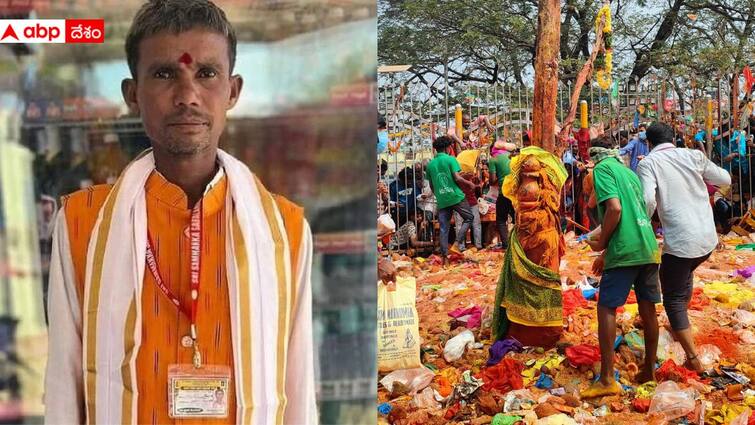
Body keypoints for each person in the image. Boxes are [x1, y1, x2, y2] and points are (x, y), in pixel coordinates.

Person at [44, 2, 316, 424]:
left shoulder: (285, 228)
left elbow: (298, 388)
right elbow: (63, 388)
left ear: (233, 91)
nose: (187, 95)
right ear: (132, 94)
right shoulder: (82, 222)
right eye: (165, 73)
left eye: (206, 73)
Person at [637, 122, 731, 373]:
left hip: (682, 241)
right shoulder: (693, 155)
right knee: (680, 276)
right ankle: (681, 326)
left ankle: (692, 358)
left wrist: (643, 223)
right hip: (706, 238)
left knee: (673, 299)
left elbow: (646, 198)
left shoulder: (648, 163)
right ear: (674, 138)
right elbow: (725, 178)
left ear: (649, 142)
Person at [581, 136, 661, 398]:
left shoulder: (603, 169)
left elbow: (614, 209)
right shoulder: (629, 172)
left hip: (624, 249)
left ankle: (606, 379)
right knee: (648, 309)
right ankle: (649, 369)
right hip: (647, 246)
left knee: (606, 307)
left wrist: (603, 244)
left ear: (595, 157)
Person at [426, 136, 474, 264]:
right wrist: (469, 184)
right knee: (469, 217)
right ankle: (457, 243)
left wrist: (439, 194)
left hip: (442, 199)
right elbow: (457, 178)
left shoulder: (430, 165)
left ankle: (444, 258)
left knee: (443, 228)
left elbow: (431, 185)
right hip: (456, 196)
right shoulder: (451, 160)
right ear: (448, 148)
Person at [488, 146, 514, 248]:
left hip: (504, 192)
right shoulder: (511, 156)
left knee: (501, 219)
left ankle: (506, 244)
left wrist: (498, 178)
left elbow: (492, 180)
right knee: (516, 218)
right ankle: (519, 243)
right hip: (516, 191)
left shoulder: (494, 159)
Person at [454, 171, 483, 250]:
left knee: (462, 225)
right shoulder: (459, 177)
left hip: (464, 202)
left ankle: (465, 246)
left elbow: (478, 188)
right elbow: (478, 189)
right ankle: (475, 246)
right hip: (463, 203)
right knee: (475, 224)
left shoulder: (470, 177)